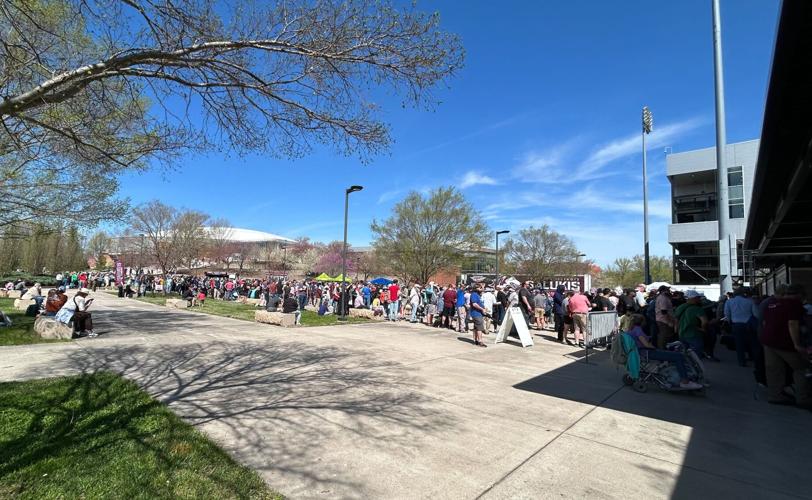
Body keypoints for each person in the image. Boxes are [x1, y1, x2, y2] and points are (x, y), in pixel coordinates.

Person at [760, 284, 810, 409]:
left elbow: (765, 323)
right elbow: (792, 324)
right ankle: (803, 398)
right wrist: (797, 344)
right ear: (799, 295)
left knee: (774, 369)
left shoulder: (771, 305)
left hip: (768, 341)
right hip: (785, 343)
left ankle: (775, 395)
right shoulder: (794, 304)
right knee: (801, 369)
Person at [626, 314, 703, 390]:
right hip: (646, 352)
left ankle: (674, 378)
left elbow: (638, 340)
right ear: (642, 322)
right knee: (678, 356)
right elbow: (646, 344)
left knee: (670, 355)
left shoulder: (630, 330)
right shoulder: (638, 330)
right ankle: (685, 381)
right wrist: (653, 347)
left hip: (639, 352)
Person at [725, 286, 759, 367]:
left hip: (736, 325)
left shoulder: (729, 302)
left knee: (739, 344)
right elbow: (756, 314)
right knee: (752, 342)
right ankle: (754, 358)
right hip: (749, 324)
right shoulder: (750, 301)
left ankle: (741, 361)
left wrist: (730, 322)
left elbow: (727, 314)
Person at [674, 290, 707, 356]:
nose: (699, 299)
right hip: (693, 333)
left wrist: (676, 331)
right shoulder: (697, 309)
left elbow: (676, 320)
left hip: (682, 333)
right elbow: (705, 321)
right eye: (698, 297)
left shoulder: (680, 307)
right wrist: (703, 329)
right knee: (696, 355)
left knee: (683, 353)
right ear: (693, 298)